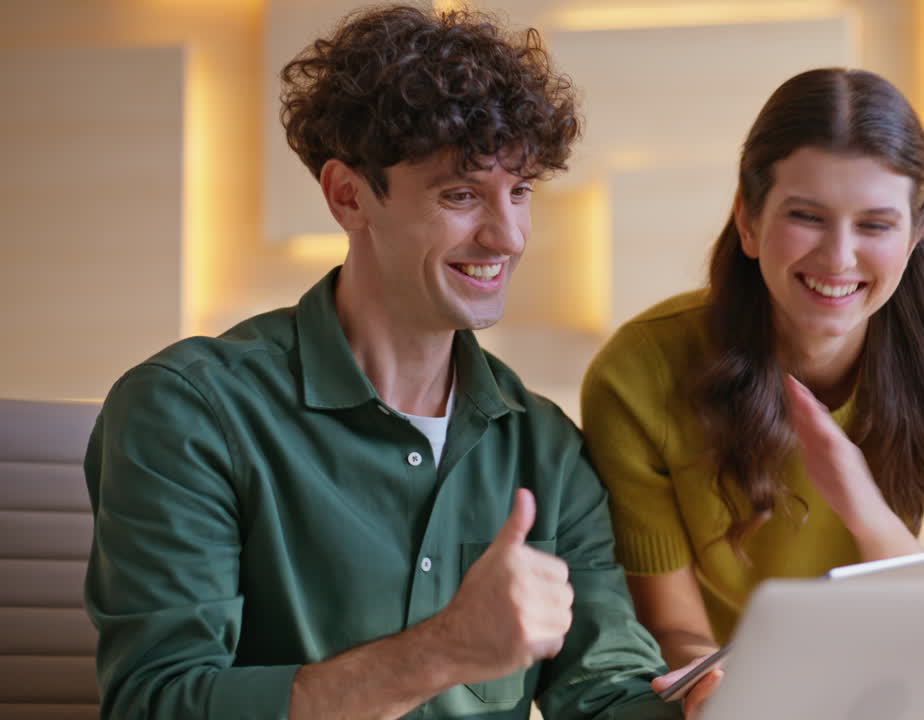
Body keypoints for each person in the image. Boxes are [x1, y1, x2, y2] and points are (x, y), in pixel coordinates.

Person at [84, 6, 705, 719]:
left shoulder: (549, 451)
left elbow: (606, 698)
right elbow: (156, 705)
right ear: (348, 196)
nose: (507, 236)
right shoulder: (188, 413)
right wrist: (443, 650)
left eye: (522, 191)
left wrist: (715, 703)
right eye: (462, 194)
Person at [580, 68, 924, 670]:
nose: (839, 258)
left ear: (917, 231)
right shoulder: (638, 376)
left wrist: (864, 511)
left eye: (875, 224)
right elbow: (672, 628)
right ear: (748, 220)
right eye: (807, 217)